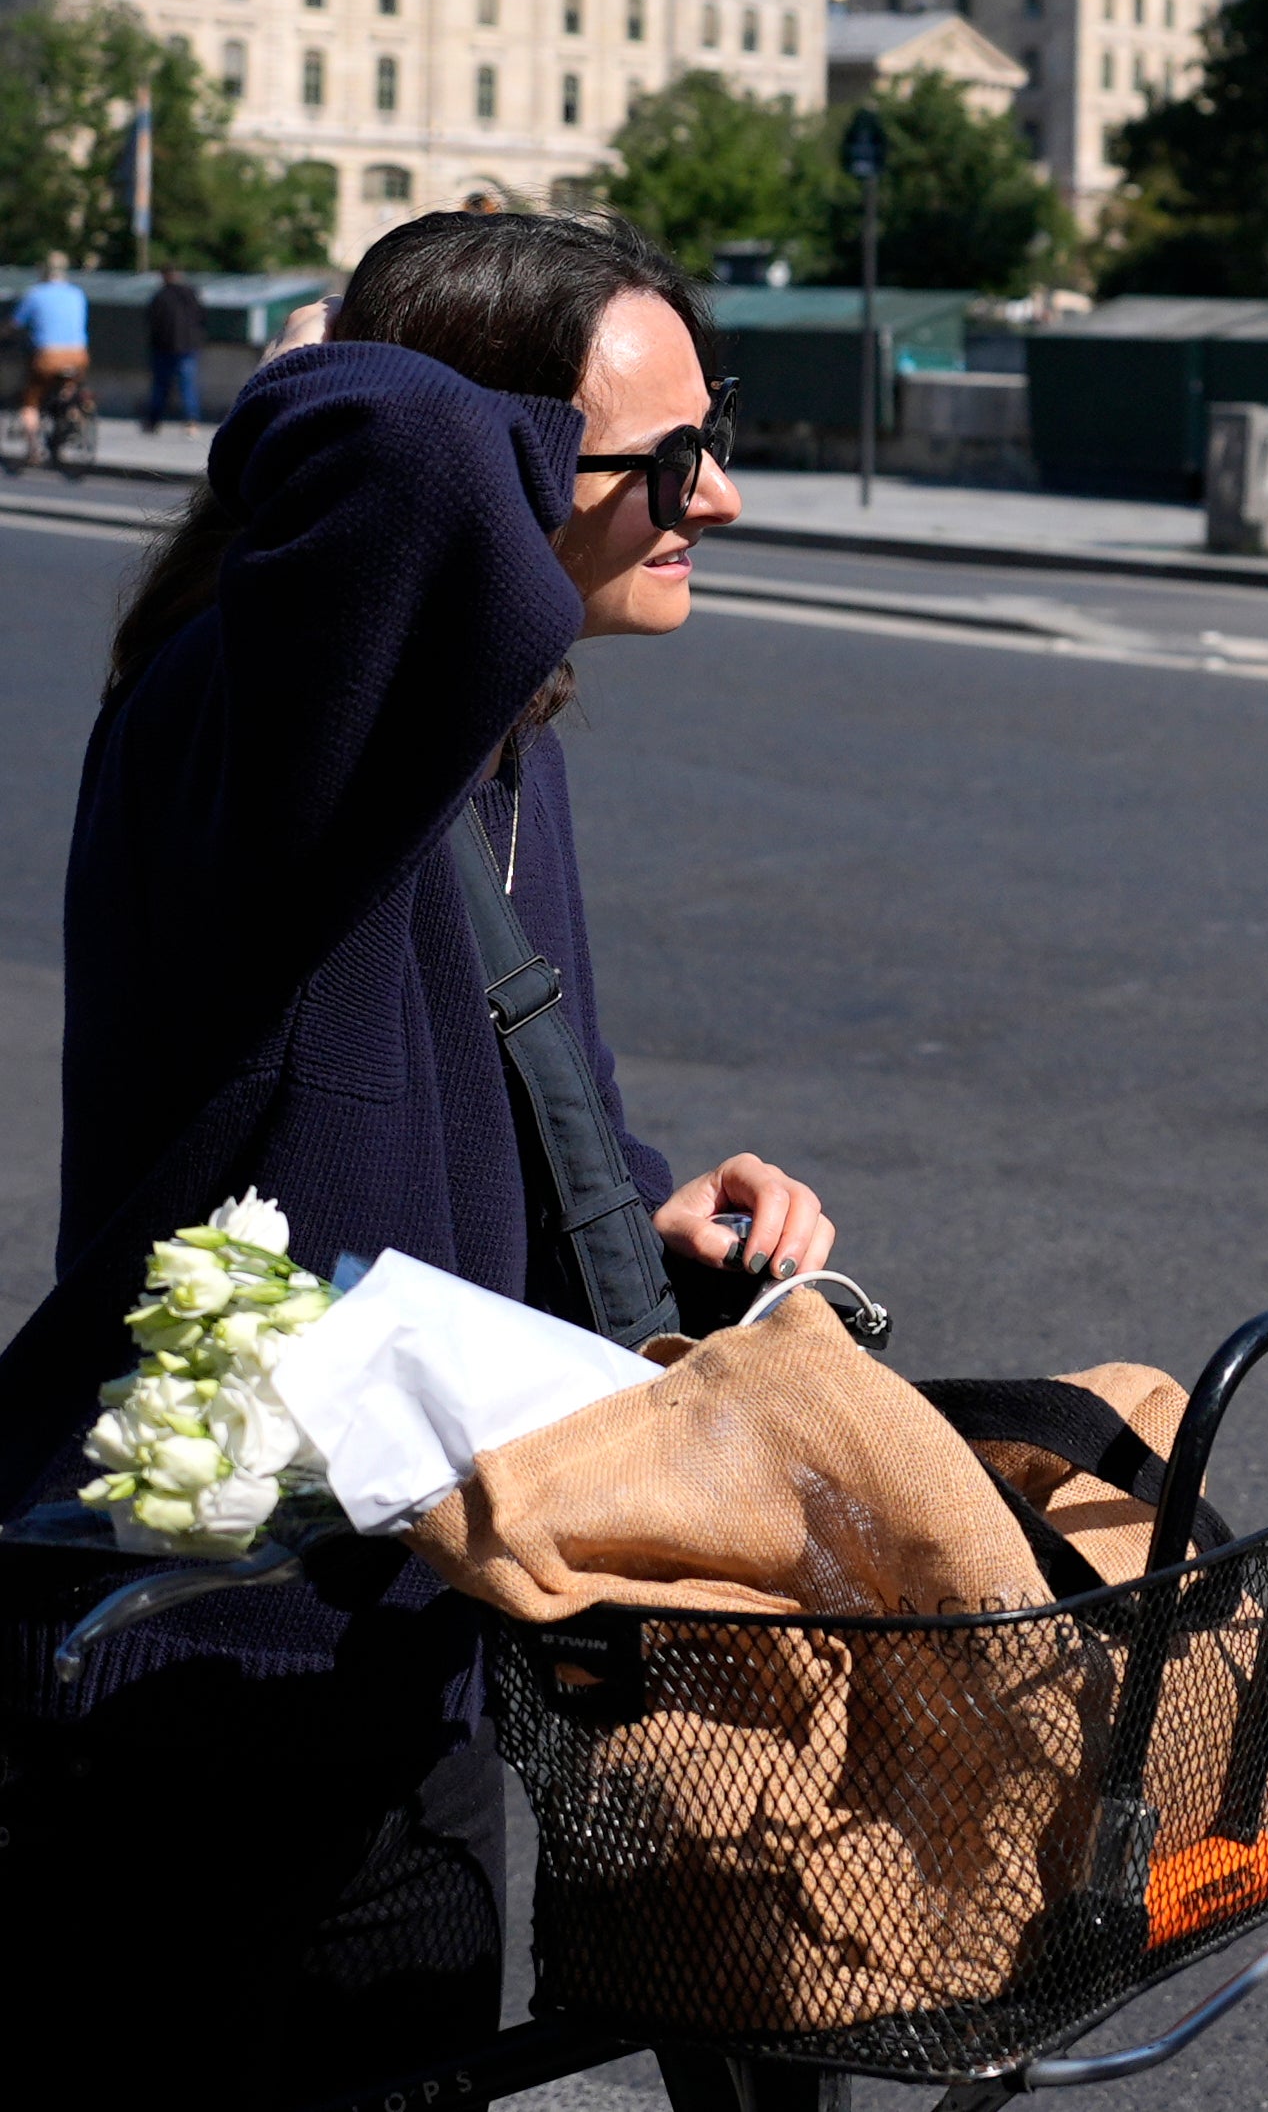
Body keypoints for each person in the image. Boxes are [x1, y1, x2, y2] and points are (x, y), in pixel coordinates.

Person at [0, 210, 844, 2103]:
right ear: (507, 461)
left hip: (410, 1663)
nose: (719, 498)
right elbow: (389, 439)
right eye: (662, 457)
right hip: (203, 1676)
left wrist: (650, 1203)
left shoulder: (482, 741)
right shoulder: (266, 716)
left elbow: (525, 1093)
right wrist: (346, 362)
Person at [17, 249, 90, 456]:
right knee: (69, 388)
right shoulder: (77, 293)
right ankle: (74, 416)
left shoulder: (35, 293)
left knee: (31, 398)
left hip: (48, 356)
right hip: (78, 355)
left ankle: (32, 448)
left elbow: (16, 323)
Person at [143, 263, 208, 432]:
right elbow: (202, 318)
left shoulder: (160, 296)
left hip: (164, 347)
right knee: (187, 386)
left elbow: (152, 321)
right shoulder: (190, 294)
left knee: (160, 387)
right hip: (188, 347)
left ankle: (153, 422)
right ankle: (191, 421)